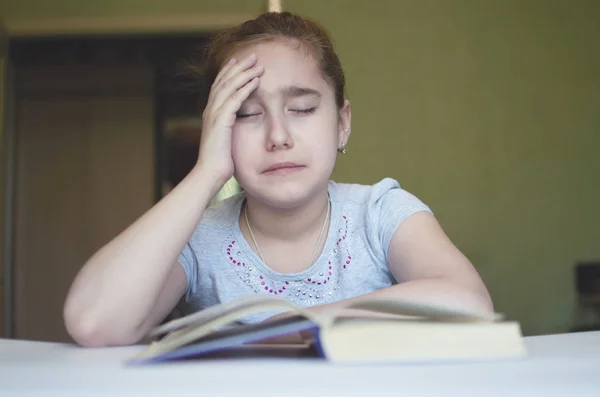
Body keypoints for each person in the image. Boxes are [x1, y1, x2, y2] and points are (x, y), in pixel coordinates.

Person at [63, 11, 493, 347]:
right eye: (247, 115)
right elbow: (94, 323)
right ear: (218, 130)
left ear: (342, 123)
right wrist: (206, 172)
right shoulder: (198, 238)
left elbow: (468, 303)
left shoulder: (383, 212)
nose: (278, 137)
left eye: (302, 109)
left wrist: (296, 324)